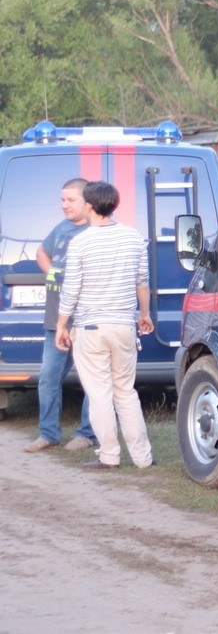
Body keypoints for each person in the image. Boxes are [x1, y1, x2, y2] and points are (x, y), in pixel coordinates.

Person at [55, 181, 154, 470]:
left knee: (100, 394)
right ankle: (142, 458)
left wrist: (62, 325)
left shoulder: (81, 242)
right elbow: (142, 283)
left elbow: (71, 290)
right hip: (124, 326)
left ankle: (109, 456)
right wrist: (144, 314)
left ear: (88, 206)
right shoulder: (134, 238)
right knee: (126, 391)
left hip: (91, 328)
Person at [24, 178, 98, 454]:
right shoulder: (62, 228)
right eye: (62, 200)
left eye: (70, 200)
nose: (64, 205)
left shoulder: (96, 230)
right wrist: (52, 270)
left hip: (85, 320)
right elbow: (41, 252)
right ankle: (49, 434)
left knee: (91, 379)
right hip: (57, 319)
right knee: (48, 376)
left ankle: (87, 434)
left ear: (87, 202)